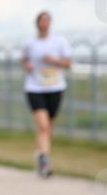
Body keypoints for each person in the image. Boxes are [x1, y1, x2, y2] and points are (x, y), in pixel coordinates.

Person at [21, 11, 71, 178]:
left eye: (46, 21)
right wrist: (27, 65)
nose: (44, 24)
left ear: (50, 24)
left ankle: (41, 153)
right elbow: (23, 59)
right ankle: (44, 162)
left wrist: (53, 60)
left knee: (48, 126)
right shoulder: (30, 43)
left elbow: (68, 63)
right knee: (43, 125)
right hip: (35, 88)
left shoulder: (60, 41)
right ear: (37, 24)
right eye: (41, 21)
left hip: (55, 87)